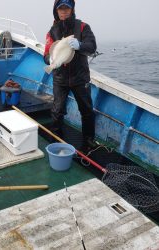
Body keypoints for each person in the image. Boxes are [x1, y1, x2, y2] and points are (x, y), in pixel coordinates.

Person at [44, 0, 98, 152]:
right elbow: (47, 52)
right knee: (57, 110)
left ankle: (89, 140)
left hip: (80, 77)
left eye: (67, 8)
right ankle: (56, 140)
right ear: (56, 10)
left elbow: (92, 47)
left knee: (86, 110)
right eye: (61, 8)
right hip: (60, 78)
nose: (64, 11)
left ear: (72, 9)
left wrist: (80, 45)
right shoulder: (52, 31)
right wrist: (49, 59)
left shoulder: (82, 27)